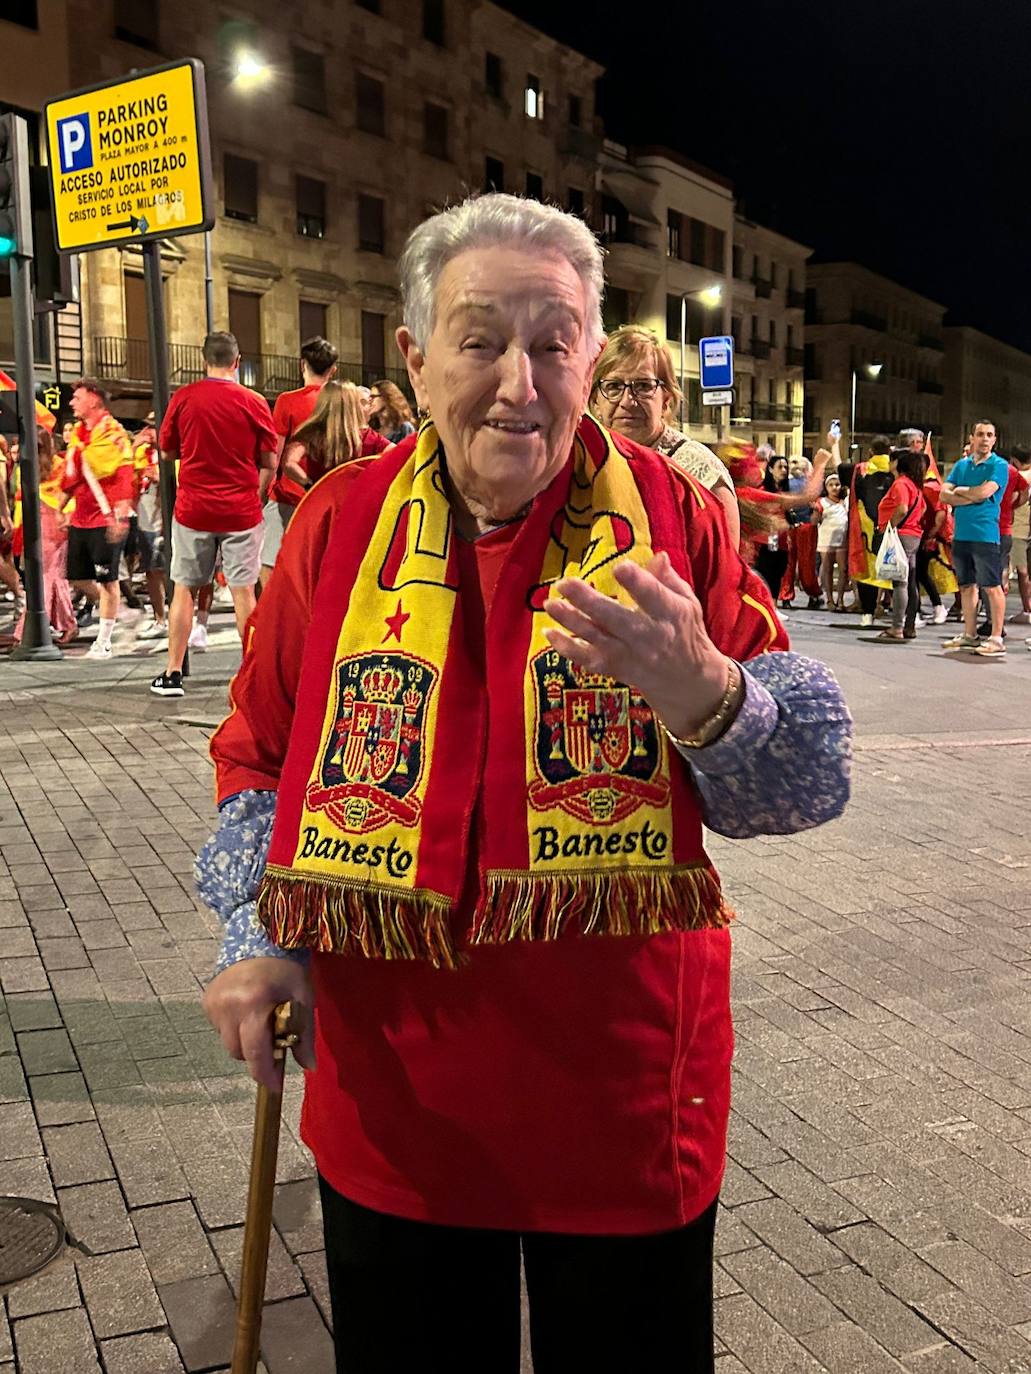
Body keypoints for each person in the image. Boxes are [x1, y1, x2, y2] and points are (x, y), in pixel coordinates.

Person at [199, 193, 852, 1374]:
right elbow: (258, 751)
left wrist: (705, 694)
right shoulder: (337, 526)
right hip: (393, 1100)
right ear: (411, 355)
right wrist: (257, 934)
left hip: (622, 1103)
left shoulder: (675, 519)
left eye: (553, 343)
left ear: (592, 355)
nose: (519, 381)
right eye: (480, 339)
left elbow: (803, 787)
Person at [150, 332, 277, 698]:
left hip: (194, 510)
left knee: (184, 589)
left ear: (204, 361)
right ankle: (251, 675)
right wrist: (255, 493)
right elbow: (269, 462)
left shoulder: (185, 398)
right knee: (243, 594)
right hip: (241, 511)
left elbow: (167, 450)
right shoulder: (253, 402)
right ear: (236, 362)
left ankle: (173, 673)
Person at [589, 325, 740, 548]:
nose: (627, 400)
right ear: (595, 401)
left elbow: (724, 573)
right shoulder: (585, 462)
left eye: (643, 386)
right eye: (613, 386)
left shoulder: (698, 471)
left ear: (666, 399)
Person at [59, 378, 134, 660]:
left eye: (77, 397)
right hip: (80, 517)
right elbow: (73, 475)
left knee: (108, 581)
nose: (71, 402)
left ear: (93, 400)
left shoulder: (114, 433)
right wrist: (62, 505)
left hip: (106, 517)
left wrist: (121, 516)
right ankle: (126, 615)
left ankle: (103, 641)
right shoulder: (78, 434)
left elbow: (126, 474)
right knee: (78, 578)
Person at [261, 336, 339, 585]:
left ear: (301, 364)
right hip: (327, 497)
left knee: (271, 562)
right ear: (333, 369)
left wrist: (264, 490)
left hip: (288, 495)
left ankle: (271, 618)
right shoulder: (339, 402)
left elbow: (276, 453)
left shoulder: (288, 401)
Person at [940, 418, 1010, 657]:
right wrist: (968, 495)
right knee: (967, 586)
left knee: (992, 587)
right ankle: (970, 634)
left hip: (985, 534)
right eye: (980, 434)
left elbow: (984, 492)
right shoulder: (962, 465)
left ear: (994, 440)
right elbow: (943, 495)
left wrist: (959, 491)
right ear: (971, 438)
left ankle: (996, 637)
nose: (985, 439)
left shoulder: (998, 465)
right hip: (961, 533)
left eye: (990, 435)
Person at [11, 429, 78, 646]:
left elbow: (66, 495)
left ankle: (25, 630)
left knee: (48, 577)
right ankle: (68, 625)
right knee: (53, 577)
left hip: (53, 525)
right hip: (37, 523)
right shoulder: (30, 467)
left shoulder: (57, 466)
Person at [281, 380, 390, 495]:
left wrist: (309, 485)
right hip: (355, 503)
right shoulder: (369, 437)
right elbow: (399, 454)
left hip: (321, 503)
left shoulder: (312, 432)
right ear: (351, 404)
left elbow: (289, 463)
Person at [872, 448, 927, 641]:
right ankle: (909, 626)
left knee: (899, 583)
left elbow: (902, 509)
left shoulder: (901, 484)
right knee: (910, 582)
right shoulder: (916, 486)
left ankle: (897, 627)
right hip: (913, 535)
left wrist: (889, 527)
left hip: (900, 535)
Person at [847, 435, 895, 627]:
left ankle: (867, 613)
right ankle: (905, 617)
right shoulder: (896, 470)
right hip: (891, 526)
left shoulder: (862, 469)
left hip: (866, 527)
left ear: (870, 452)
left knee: (868, 571)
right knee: (896, 570)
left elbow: (855, 495)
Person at [130, 416, 168, 640]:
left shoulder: (175, 451)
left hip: (165, 519)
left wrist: (160, 477)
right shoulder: (139, 453)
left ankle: (178, 616)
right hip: (144, 518)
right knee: (151, 571)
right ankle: (159, 618)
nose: (147, 431)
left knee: (166, 571)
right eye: (146, 426)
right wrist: (134, 445)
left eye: (152, 427)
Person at [779, 455, 822, 609]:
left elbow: (817, 503)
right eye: (792, 462)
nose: (794, 465)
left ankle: (813, 593)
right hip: (790, 527)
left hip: (806, 526)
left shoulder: (810, 484)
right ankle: (786, 595)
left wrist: (815, 513)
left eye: (797, 462)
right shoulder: (785, 484)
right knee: (788, 563)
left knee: (807, 563)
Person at [812, 470, 849, 610]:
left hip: (842, 540)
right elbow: (814, 521)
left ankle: (840, 599)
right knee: (827, 569)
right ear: (826, 487)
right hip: (826, 539)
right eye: (831, 485)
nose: (834, 488)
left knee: (843, 569)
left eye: (837, 484)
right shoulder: (821, 502)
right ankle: (829, 599)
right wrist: (815, 510)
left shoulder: (844, 502)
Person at [1007, 445, 1031, 624]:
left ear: (1014, 460)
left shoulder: (1017, 477)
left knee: (1018, 572)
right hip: (1025, 530)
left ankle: (1027, 609)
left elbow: (1012, 500)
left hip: (1017, 529)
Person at [369, 379, 416, 444]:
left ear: (385, 398)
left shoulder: (404, 428)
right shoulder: (371, 427)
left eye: (373, 396)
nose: (369, 400)